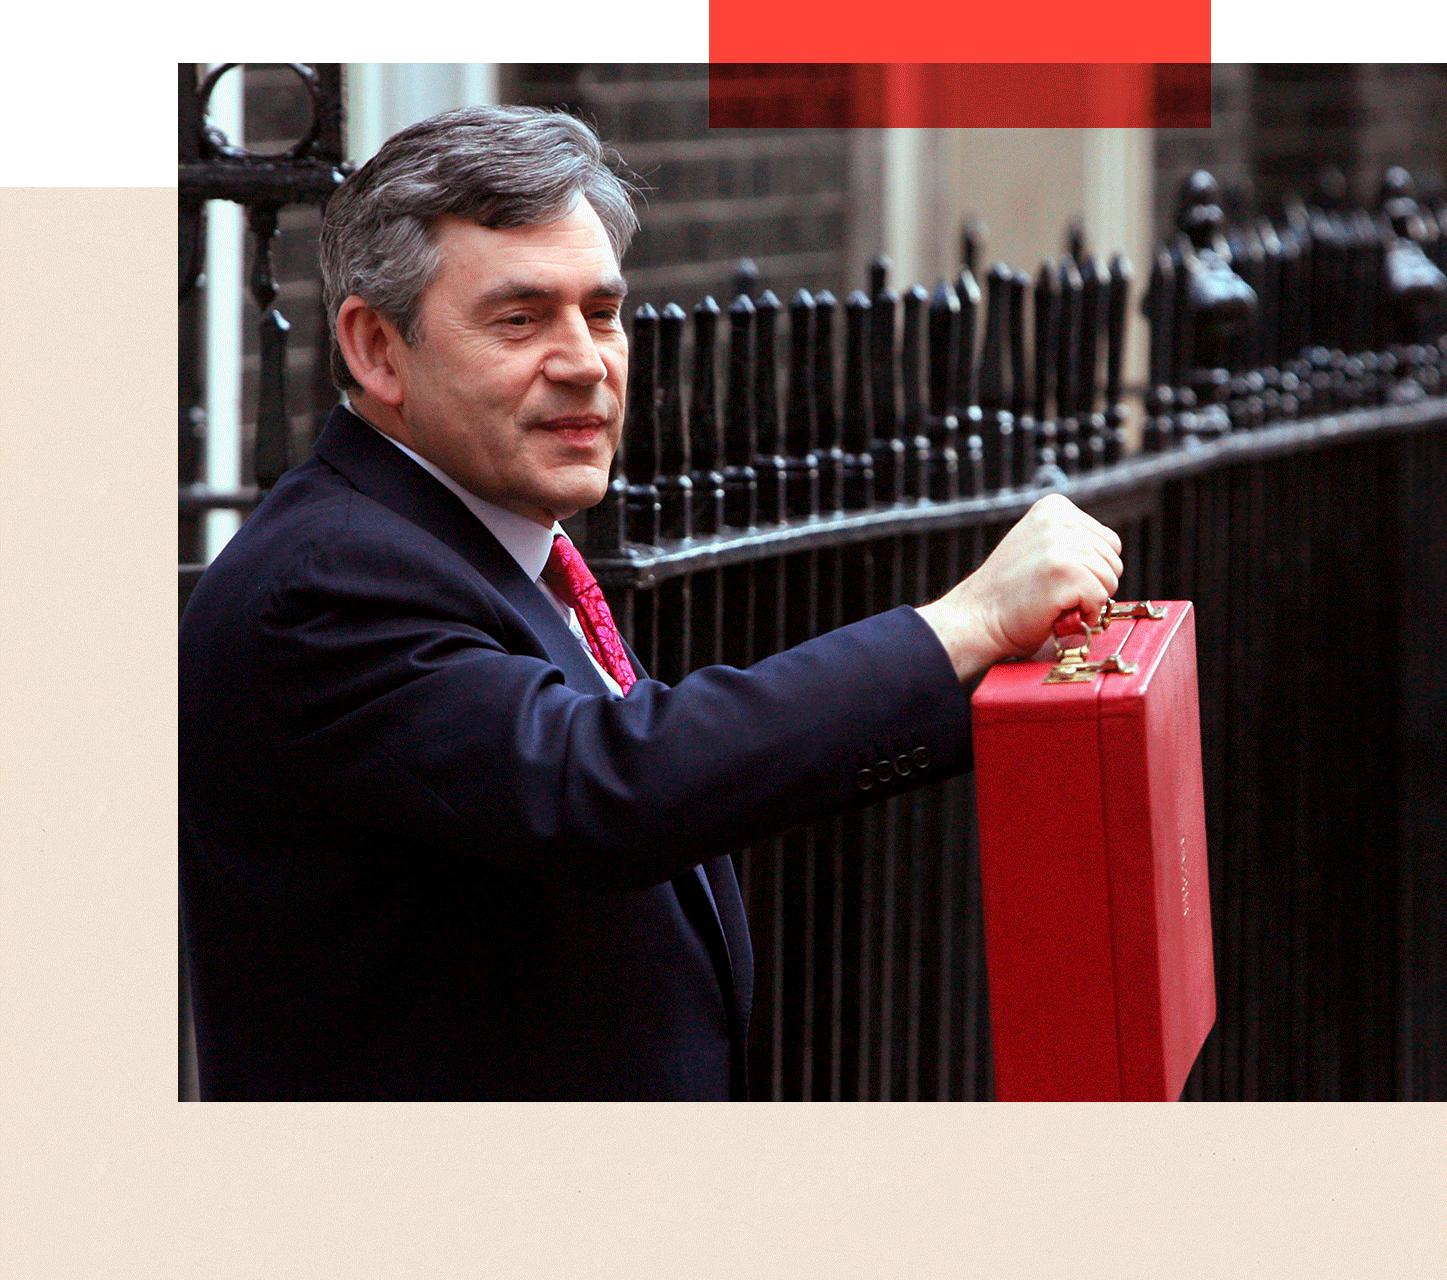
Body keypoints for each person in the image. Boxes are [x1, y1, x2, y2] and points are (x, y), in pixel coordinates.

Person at [178, 105, 1123, 1100]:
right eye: (520, 317)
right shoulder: (326, 581)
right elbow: (608, 783)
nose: (586, 360)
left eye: (600, 311)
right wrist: (964, 621)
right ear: (376, 348)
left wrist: (1010, 678)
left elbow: (650, 772)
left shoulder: (476, 534)